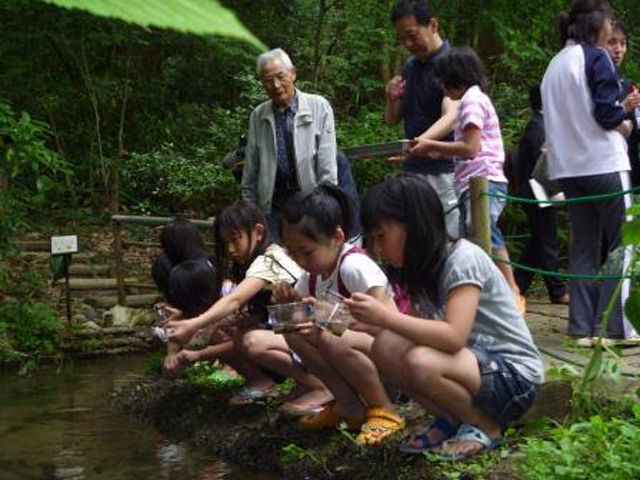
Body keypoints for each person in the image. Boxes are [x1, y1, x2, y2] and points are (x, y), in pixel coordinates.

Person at [345, 174, 543, 460]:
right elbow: (412, 330)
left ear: (413, 226)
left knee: (420, 360)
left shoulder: (462, 259)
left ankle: (485, 426)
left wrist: (386, 319)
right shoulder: (421, 270)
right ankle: (450, 418)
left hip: (514, 376)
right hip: (474, 370)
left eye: (381, 237)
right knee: (386, 346)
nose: (377, 250)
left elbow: (452, 338)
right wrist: (373, 325)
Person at [166, 201, 332, 412]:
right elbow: (261, 311)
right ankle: (273, 381)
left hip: (314, 333)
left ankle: (320, 386)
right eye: (225, 242)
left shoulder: (271, 259)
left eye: (235, 239)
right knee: (225, 329)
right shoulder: (254, 262)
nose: (230, 249)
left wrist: (194, 324)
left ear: (258, 232)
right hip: (296, 329)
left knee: (251, 341)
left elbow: (234, 300)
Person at [541, 0, 640, 346]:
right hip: (604, 164)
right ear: (597, 26)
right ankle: (618, 328)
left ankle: (580, 329)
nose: (612, 34)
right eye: (610, 26)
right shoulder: (594, 56)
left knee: (583, 246)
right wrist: (624, 121)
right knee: (622, 244)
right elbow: (606, 115)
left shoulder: (554, 64)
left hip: (568, 169)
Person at [275, 183, 405, 446]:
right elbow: (307, 319)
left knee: (327, 336)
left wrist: (325, 317)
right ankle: (348, 405)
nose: (299, 260)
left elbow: (387, 325)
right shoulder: (311, 276)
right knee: (289, 324)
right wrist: (290, 304)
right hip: (358, 360)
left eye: (306, 251)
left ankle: (385, 408)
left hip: (394, 362)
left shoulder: (354, 266)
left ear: (336, 237)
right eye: (293, 253)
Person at [411, 46, 525, 314]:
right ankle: (487, 297)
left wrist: (429, 144)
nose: (441, 88)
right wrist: (429, 150)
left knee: (483, 232)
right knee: (470, 239)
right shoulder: (471, 100)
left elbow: (471, 147)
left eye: (443, 81)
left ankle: (510, 290)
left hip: (483, 181)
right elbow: (465, 148)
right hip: (472, 181)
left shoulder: (472, 101)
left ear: (456, 78)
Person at [242, 48, 338, 241]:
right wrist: (251, 211)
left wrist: (325, 207)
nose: (275, 85)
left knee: (308, 260)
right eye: (268, 80)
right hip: (273, 207)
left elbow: (327, 165)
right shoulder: (258, 115)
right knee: (276, 264)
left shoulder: (319, 107)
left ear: (293, 73)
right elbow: (251, 169)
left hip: (310, 205)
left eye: (280, 76)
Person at [385, 0, 460, 237]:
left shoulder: (453, 64)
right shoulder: (410, 66)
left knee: (451, 238)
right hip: (413, 170)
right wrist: (391, 98)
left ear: (433, 25)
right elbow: (392, 120)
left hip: (445, 171)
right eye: (402, 39)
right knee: (417, 239)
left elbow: (452, 116)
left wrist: (417, 143)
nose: (408, 44)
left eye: (412, 35)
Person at [513, 85, 569, 305]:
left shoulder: (543, 124)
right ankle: (557, 291)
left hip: (541, 194)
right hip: (538, 195)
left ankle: (517, 284)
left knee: (538, 242)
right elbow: (544, 163)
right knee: (548, 241)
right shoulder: (537, 126)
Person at [607, 21, 640, 187]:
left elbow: (637, 126)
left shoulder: (628, 85)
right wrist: (623, 106)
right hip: (606, 169)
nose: (618, 49)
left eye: (623, 43)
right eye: (612, 42)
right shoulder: (594, 83)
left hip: (630, 166)